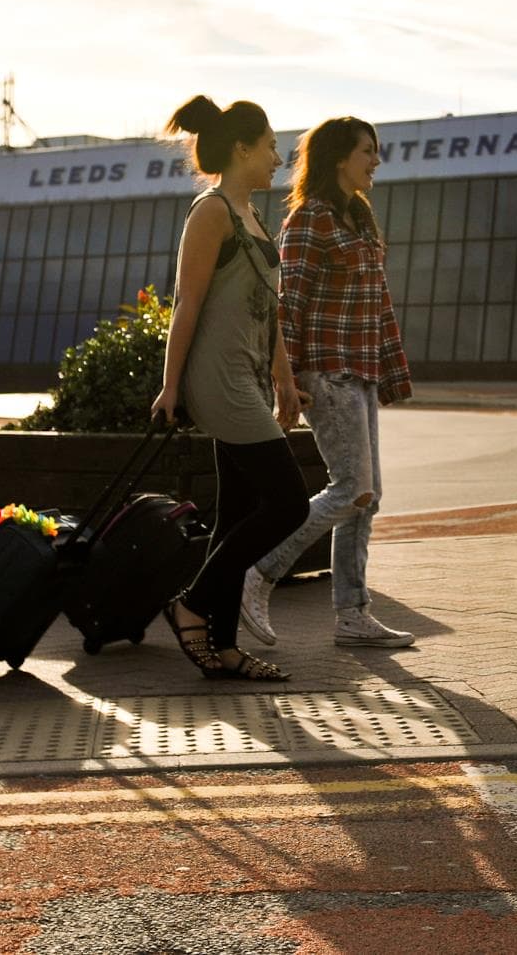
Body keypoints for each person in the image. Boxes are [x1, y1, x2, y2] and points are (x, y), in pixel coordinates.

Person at [149, 96, 310, 680]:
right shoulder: (211, 212)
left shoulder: (252, 216)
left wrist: (284, 380)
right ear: (242, 148)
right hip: (218, 380)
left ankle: (224, 648)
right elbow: (186, 304)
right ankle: (191, 603)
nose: (278, 160)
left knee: (236, 513)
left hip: (248, 376)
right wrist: (170, 387)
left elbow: (269, 310)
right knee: (289, 503)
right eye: (271, 147)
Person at [240, 116, 415, 651]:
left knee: (367, 497)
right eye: (368, 151)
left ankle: (352, 615)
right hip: (326, 370)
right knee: (350, 489)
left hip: (361, 371)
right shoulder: (309, 219)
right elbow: (286, 305)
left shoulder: (359, 217)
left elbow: (378, 302)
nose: (376, 161)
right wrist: (286, 379)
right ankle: (258, 574)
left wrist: (391, 372)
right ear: (339, 157)